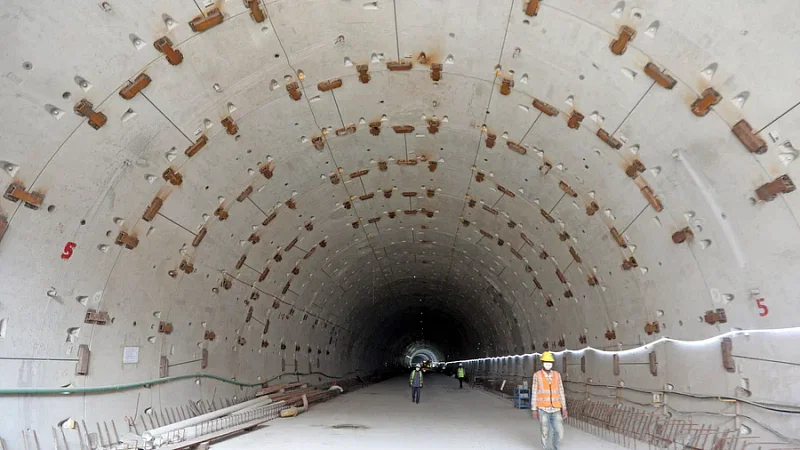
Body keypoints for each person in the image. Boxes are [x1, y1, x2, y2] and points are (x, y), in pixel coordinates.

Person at [531, 352, 567, 450]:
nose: (548, 363)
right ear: (542, 362)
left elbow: (561, 391)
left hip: (556, 408)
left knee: (560, 432)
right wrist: (534, 409)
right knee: (544, 432)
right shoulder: (537, 375)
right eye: (546, 361)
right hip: (543, 408)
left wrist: (564, 408)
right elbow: (534, 392)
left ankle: (556, 447)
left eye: (550, 362)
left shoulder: (557, 375)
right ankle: (545, 448)